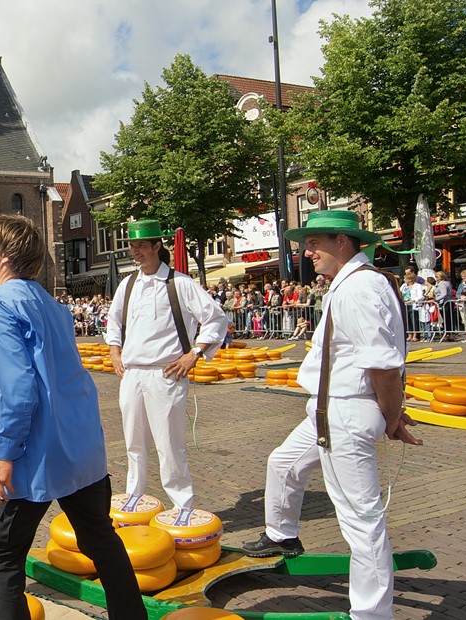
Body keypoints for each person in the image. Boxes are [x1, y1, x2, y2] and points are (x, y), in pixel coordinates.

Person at [242, 210, 421, 620]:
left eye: (313, 243)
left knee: (362, 522)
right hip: (331, 407)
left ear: (342, 242)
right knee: (283, 462)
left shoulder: (358, 288)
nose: (307, 252)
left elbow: (382, 364)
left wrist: (392, 416)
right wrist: (390, 412)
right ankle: (282, 535)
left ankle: (371, 614)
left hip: (345, 411)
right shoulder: (354, 283)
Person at [0, 214, 145, 620]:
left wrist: (3, 456)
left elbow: (18, 391)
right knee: (101, 541)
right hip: (80, 450)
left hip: (31, 456)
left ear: (5, 255)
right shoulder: (53, 305)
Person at [105, 220, 227, 509]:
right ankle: (134, 496)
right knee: (134, 442)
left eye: (141, 246)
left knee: (169, 444)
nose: (135, 251)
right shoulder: (128, 284)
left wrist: (194, 353)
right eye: (132, 246)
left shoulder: (180, 283)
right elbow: (113, 320)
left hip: (166, 374)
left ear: (157, 246)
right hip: (132, 373)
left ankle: (182, 504)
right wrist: (114, 352)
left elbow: (216, 318)